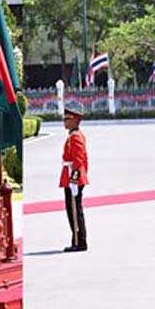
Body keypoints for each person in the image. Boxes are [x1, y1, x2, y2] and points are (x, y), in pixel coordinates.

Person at [60, 107, 89, 252]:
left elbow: (79, 159)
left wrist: (75, 179)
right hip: (71, 174)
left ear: (75, 121)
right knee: (72, 210)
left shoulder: (76, 136)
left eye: (67, 119)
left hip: (73, 176)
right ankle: (76, 238)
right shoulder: (73, 135)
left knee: (74, 210)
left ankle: (80, 241)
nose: (64, 121)